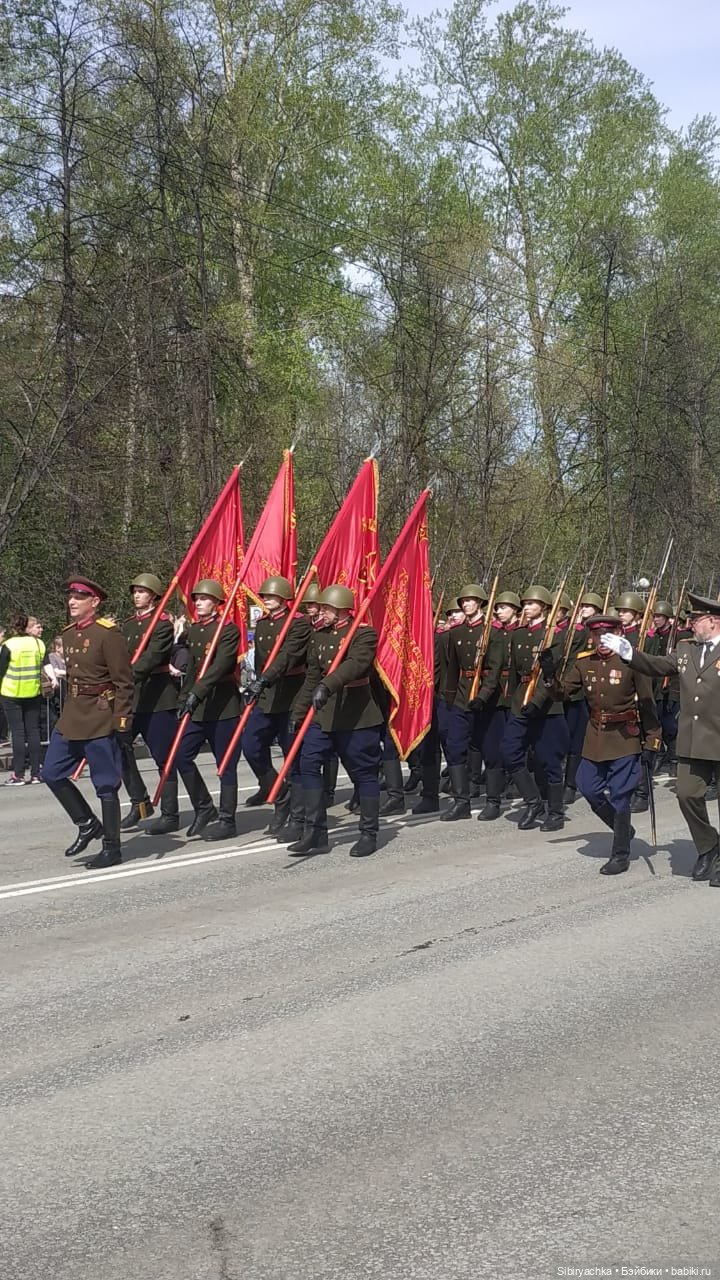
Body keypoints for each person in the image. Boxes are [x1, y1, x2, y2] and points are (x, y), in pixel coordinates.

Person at [601, 591, 720, 885]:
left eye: (696, 619)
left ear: (714, 621)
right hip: (694, 739)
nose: (691, 624)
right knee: (686, 794)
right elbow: (657, 666)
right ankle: (709, 846)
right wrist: (628, 652)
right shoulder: (685, 648)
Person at [541, 614, 661, 875]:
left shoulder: (632, 662)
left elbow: (647, 703)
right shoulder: (585, 663)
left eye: (607, 635)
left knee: (620, 795)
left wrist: (653, 741)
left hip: (624, 737)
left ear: (619, 634)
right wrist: (549, 677)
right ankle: (623, 828)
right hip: (595, 736)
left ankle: (620, 854)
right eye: (596, 636)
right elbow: (563, 693)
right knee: (588, 787)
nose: (601, 640)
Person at [43, 578, 134, 868]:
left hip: (100, 717)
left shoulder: (109, 635)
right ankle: (86, 823)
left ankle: (112, 847)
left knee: (106, 785)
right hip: (72, 716)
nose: (72, 602)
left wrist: (121, 720)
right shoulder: (68, 635)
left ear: (94, 602)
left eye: (79, 598)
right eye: (70, 597)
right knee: (51, 773)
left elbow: (124, 682)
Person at [290, 584, 383, 858]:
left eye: (328, 608)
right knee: (308, 764)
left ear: (343, 609)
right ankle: (315, 832)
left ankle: (368, 832)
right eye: (322, 608)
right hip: (324, 714)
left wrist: (328, 685)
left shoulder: (363, 634)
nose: (322, 612)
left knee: (363, 772)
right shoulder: (318, 635)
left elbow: (356, 664)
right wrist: (298, 712)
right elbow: (312, 678)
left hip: (357, 715)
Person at [174, 579, 243, 840]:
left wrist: (195, 694)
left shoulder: (227, 630)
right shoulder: (194, 631)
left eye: (204, 599)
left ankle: (228, 819)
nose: (198, 603)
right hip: (197, 705)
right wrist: (184, 699)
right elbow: (192, 669)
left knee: (225, 764)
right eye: (196, 599)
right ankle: (204, 807)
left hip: (222, 704)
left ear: (216, 602)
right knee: (181, 755)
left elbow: (221, 666)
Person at [242, 576, 311, 834]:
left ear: (284, 597)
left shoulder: (299, 624)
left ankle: (298, 816)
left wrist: (264, 679)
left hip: (292, 696)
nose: (267, 599)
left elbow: (288, 657)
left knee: (294, 758)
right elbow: (261, 659)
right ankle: (280, 794)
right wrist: (257, 684)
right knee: (250, 746)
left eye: (271, 596)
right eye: (265, 596)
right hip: (266, 696)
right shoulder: (263, 624)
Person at [500, 585, 569, 831]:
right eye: (525, 604)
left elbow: (554, 674)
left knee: (548, 760)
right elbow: (515, 676)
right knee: (509, 751)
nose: (526, 607)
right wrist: (512, 703)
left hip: (546, 704)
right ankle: (532, 801)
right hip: (521, 701)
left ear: (544, 607)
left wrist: (537, 701)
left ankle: (556, 812)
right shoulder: (518, 635)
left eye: (531, 603)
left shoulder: (557, 636)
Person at [120, 573, 180, 835]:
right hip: (133, 698)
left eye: (142, 592)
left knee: (163, 758)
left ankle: (170, 813)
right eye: (135, 591)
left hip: (158, 698)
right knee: (117, 745)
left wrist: (127, 675)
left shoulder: (163, 623)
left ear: (154, 595)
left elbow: (154, 656)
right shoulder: (129, 625)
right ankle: (140, 801)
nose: (137, 595)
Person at [0, 614, 47, 785]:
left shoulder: (9, 645)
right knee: (33, 732)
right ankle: (36, 773)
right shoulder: (38, 644)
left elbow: (1, 669)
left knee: (18, 734)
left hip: (11, 692)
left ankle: (18, 774)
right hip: (33, 692)